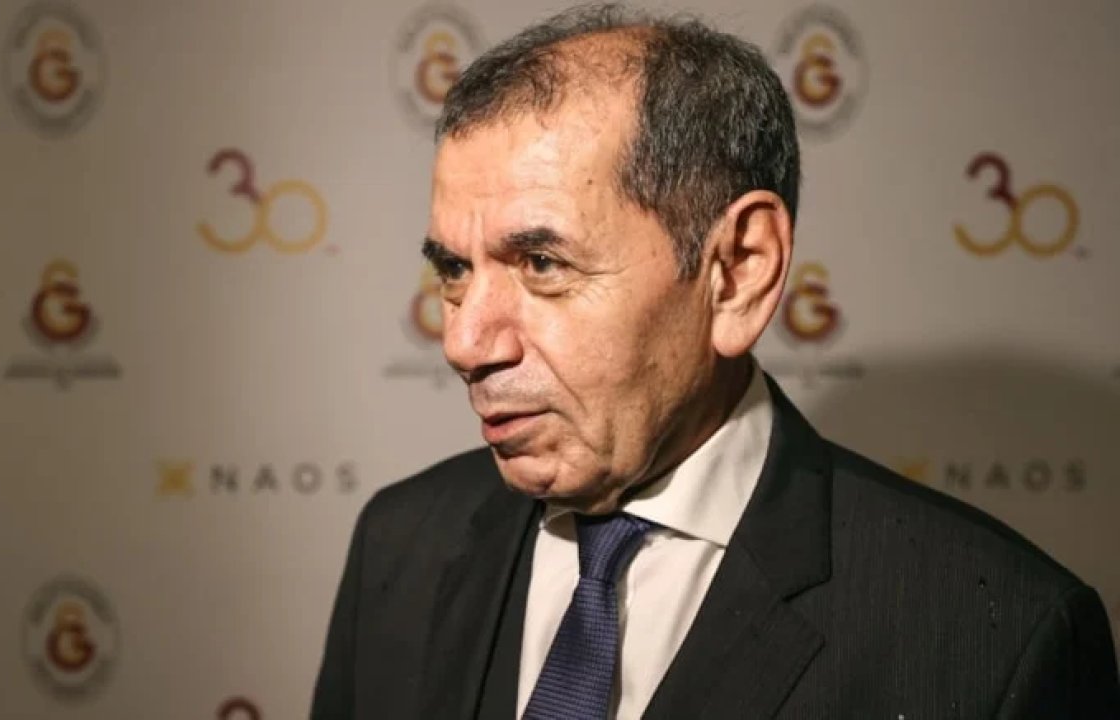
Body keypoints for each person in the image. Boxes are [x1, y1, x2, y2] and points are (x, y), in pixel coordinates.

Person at [311, 4, 1120, 718]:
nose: (464, 343)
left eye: (543, 264)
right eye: (455, 270)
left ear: (738, 271)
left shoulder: (995, 640)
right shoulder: (400, 544)